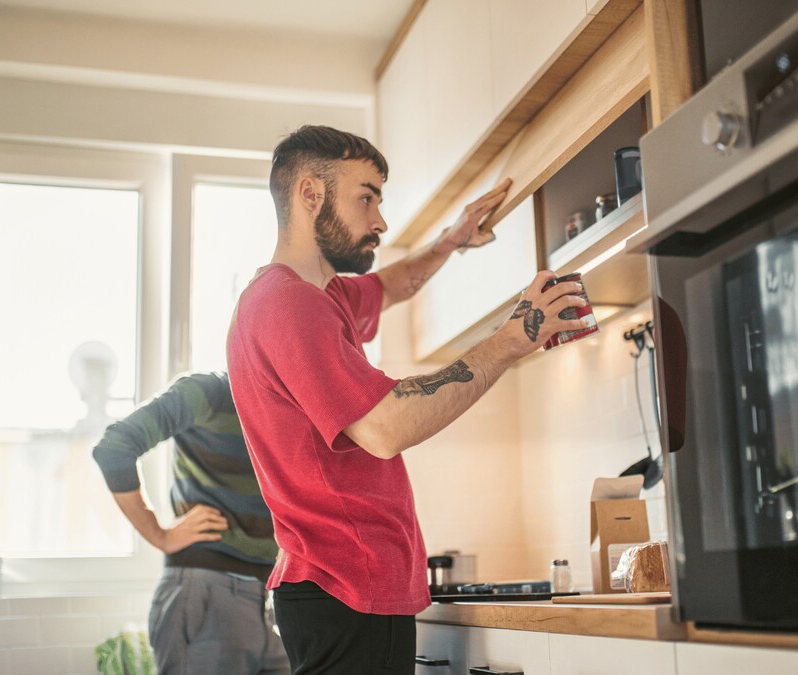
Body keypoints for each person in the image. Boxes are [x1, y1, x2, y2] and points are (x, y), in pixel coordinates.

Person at [226, 125, 587, 674]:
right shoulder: (289, 305)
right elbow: (386, 426)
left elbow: (394, 284)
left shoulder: (323, 297)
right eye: (365, 197)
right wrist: (512, 340)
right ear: (309, 194)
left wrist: (450, 241)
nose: (380, 220)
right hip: (344, 584)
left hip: (344, 586)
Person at [92, 371, 290, 675]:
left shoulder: (293, 407)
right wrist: (160, 535)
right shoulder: (209, 391)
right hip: (208, 591)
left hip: (268, 597)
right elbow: (114, 447)